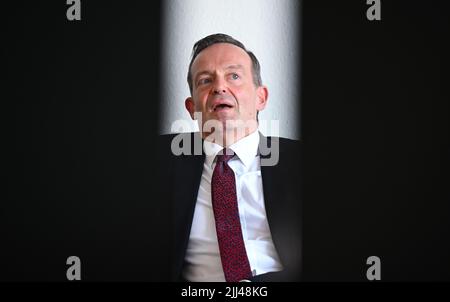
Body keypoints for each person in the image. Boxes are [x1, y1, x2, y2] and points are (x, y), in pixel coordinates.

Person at [159, 33, 301, 282]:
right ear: (192, 108)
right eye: (205, 80)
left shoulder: (304, 161)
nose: (219, 87)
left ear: (261, 98)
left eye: (234, 76)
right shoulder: (157, 161)